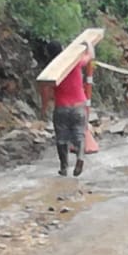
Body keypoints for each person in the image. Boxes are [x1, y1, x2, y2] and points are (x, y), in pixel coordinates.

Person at [40, 39, 94, 177]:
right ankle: (80, 158)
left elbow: (45, 89)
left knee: (61, 138)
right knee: (79, 134)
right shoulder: (74, 62)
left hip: (61, 107)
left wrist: (44, 107)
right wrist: (89, 45)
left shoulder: (51, 68)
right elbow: (90, 57)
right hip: (78, 107)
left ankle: (64, 167)